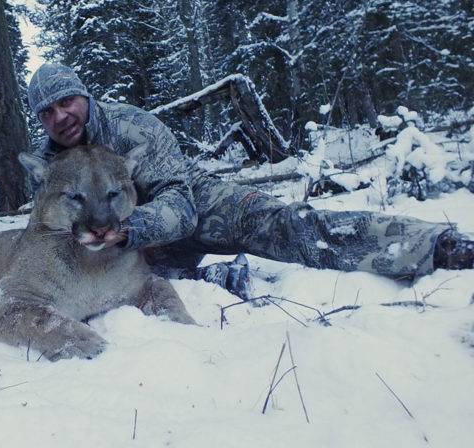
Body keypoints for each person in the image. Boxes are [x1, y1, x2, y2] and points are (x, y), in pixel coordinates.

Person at [26, 62, 474, 298]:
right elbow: (46, 235)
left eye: (67, 101)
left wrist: (130, 231)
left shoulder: (132, 128)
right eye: (47, 112)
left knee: (285, 224)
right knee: (131, 286)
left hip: (190, 204)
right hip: (127, 248)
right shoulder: (50, 167)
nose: (60, 116)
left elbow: (180, 206)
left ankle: (427, 244)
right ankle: (217, 280)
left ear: (84, 96)